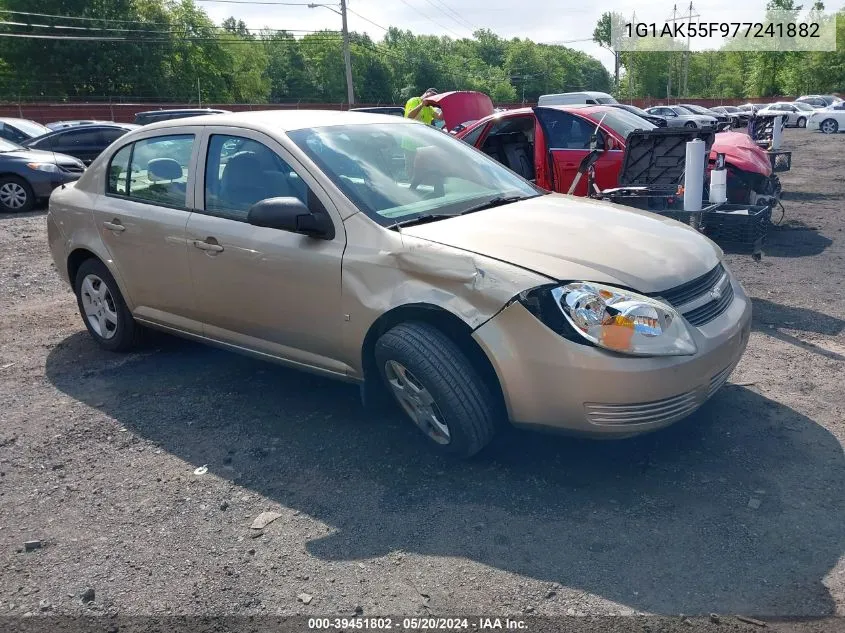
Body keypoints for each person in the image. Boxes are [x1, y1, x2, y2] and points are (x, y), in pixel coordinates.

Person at [402, 88, 444, 181]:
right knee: (411, 169)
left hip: (422, 144)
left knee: (421, 168)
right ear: (427, 93)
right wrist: (422, 104)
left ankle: (418, 187)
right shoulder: (414, 101)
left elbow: (440, 118)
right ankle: (409, 189)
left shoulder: (429, 108)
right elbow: (409, 116)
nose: (432, 100)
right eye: (432, 96)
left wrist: (445, 106)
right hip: (410, 144)